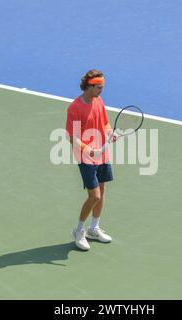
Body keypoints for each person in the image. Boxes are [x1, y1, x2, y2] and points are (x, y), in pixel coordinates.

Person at [65, 69, 117, 251]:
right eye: (99, 87)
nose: (101, 90)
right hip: (85, 156)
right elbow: (72, 137)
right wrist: (89, 150)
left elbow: (104, 123)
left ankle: (94, 228)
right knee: (94, 195)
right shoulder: (75, 107)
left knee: (101, 191)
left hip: (101, 153)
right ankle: (79, 230)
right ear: (90, 86)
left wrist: (111, 132)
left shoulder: (98, 101)